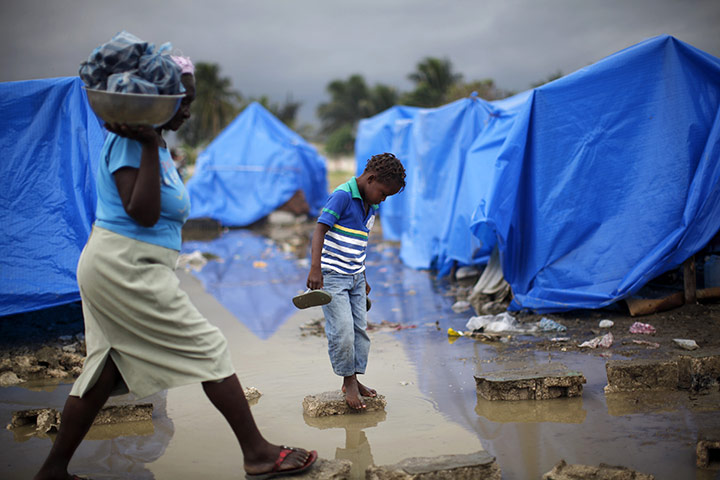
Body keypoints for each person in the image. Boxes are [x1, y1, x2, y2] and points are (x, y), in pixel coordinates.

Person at [34, 56, 316, 480]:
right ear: (155, 100)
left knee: (105, 368)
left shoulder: (156, 144)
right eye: (182, 100)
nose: (187, 110)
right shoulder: (135, 142)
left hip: (124, 264)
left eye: (191, 101)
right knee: (210, 348)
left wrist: (153, 145)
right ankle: (256, 453)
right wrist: (148, 144)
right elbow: (143, 213)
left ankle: (52, 471)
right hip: (125, 269)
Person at [306, 153, 406, 409]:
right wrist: (315, 268)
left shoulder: (371, 205)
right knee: (342, 330)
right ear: (371, 179)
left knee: (360, 330)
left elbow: (359, 244)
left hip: (356, 278)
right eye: (383, 193)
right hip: (333, 277)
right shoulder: (342, 195)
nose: (383, 199)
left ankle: (354, 378)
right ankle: (348, 381)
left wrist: (363, 275)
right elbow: (320, 230)